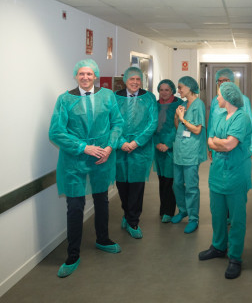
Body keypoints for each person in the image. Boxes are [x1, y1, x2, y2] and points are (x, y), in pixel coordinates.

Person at [49, 59, 124, 278]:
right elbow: (55, 132)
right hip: (75, 161)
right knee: (75, 206)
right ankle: (73, 254)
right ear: (76, 75)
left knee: (102, 199)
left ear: (96, 76)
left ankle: (103, 239)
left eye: (89, 74)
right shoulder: (65, 99)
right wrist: (84, 147)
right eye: (82, 74)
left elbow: (117, 124)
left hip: (102, 157)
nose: (85, 77)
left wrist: (110, 146)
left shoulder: (108, 96)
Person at [199, 82, 252, 279]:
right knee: (217, 213)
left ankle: (235, 257)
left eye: (219, 95)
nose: (217, 98)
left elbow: (229, 145)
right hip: (218, 174)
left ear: (228, 98)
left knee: (237, 218)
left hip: (236, 175)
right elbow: (209, 139)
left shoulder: (242, 118)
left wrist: (219, 143)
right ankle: (219, 246)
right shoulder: (220, 116)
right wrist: (219, 143)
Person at [114, 67, 158, 239]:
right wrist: (121, 142)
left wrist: (136, 142)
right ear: (125, 80)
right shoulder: (115, 98)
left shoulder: (149, 98)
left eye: (138, 79)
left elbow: (152, 123)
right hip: (120, 149)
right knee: (122, 186)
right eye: (131, 79)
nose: (134, 82)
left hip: (140, 150)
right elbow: (110, 122)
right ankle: (126, 213)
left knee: (137, 188)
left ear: (142, 81)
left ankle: (133, 221)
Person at [171, 76, 207, 234]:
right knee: (177, 184)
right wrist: (176, 117)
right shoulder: (183, 104)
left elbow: (198, 129)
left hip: (191, 151)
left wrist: (182, 119)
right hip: (179, 150)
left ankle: (193, 218)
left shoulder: (198, 105)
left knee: (191, 186)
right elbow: (178, 127)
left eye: (180, 87)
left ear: (190, 87)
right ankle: (183, 210)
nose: (178, 91)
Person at [208, 68, 252, 162]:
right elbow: (211, 123)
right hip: (217, 148)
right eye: (219, 81)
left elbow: (250, 124)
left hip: (235, 144)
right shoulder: (215, 101)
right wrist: (210, 147)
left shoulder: (243, 100)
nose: (221, 83)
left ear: (232, 81)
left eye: (225, 80)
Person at [153, 79, 181, 223]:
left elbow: (179, 128)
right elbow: (152, 125)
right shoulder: (155, 105)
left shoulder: (179, 104)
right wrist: (157, 143)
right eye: (161, 90)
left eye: (167, 90)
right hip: (158, 147)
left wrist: (168, 144)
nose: (163, 92)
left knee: (170, 180)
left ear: (173, 90)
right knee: (161, 179)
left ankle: (169, 211)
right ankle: (163, 208)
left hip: (172, 147)